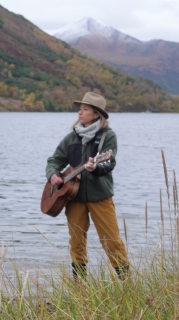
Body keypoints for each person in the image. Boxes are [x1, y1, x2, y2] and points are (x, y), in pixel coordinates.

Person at [45, 92, 129, 280]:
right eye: (80, 109)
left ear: (97, 114)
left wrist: (95, 167)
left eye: (85, 109)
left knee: (112, 241)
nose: (80, 113)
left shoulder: (108, 136)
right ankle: (80, 288)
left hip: (100, 197)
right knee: (76, 243)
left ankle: (127, 284)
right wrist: (52, 175)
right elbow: (55, 160)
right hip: (73, 198)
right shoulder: (71, 138)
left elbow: (109, 163)